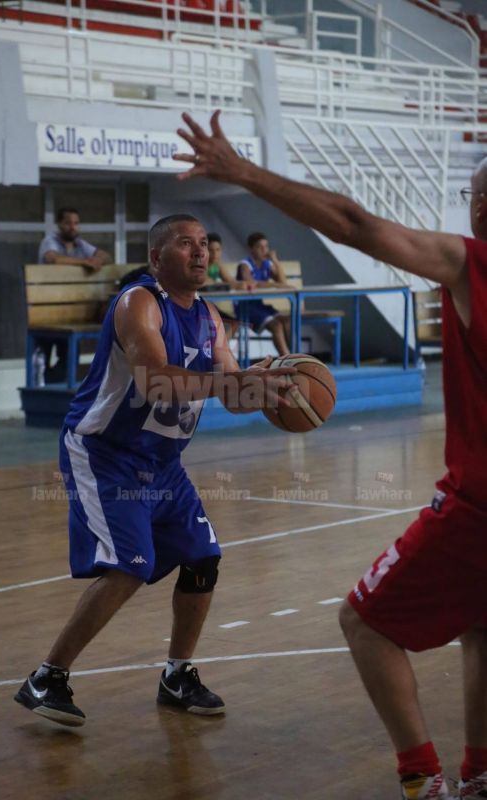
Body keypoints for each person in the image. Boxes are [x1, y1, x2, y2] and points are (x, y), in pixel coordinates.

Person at [173, 111, 487, 799]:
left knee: (364, 623)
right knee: (480, 625)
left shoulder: (471, 262)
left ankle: (422, 781)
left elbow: (352, 223)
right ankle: (481, 774)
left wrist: (242, 172)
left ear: (481, 208)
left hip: (478, 508)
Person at [15, 213, 295, 728]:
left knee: (203, 558)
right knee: (129, 566)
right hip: (105, 453)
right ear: (156, 258)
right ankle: (46, 677)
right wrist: (231, 383)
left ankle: (177, 675)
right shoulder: (139, 302)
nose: (200, 252)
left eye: (203, 244)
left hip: (163, 462)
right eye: (185, 244)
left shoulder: (211, 318)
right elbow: (156, 382)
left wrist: (267, 388)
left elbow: (233, 395)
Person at [37, 208, 113, 383]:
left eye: (76, 223)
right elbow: (53, 259)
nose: (73, 227)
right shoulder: (50, 241)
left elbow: (106, 256)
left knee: (68, 359)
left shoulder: (81, 245)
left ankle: (57, 385)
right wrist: (85, 262)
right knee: (42, 360)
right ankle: (48, 387)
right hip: (45, 311)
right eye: (68, 223)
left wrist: (97, 260)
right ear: (59, 224)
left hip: (71, 312)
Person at [236, 231, 293, 356]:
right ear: (251, 249)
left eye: (266, 246)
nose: (264, 250)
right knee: (276, 326)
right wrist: (274, 285)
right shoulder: (245, 265)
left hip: (260, 305)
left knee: (287, 321)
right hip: (245, 307)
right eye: (259, 247)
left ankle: (295, 356)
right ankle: (286, 358)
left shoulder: (267, 263)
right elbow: (250, 283)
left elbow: (282, 283)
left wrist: (275, 261)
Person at [205, 232, 242, 339]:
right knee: (219, 326)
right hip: (197, 306)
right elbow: (205, 282)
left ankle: (221, 348)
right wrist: (228, 285)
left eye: (218, 250)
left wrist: (243, 284)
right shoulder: (201, 264)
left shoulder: (217, 265)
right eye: (211, 250)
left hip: (209, 305)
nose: (215, 254)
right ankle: (217, 348)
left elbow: (232, 282)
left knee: (234, 323)